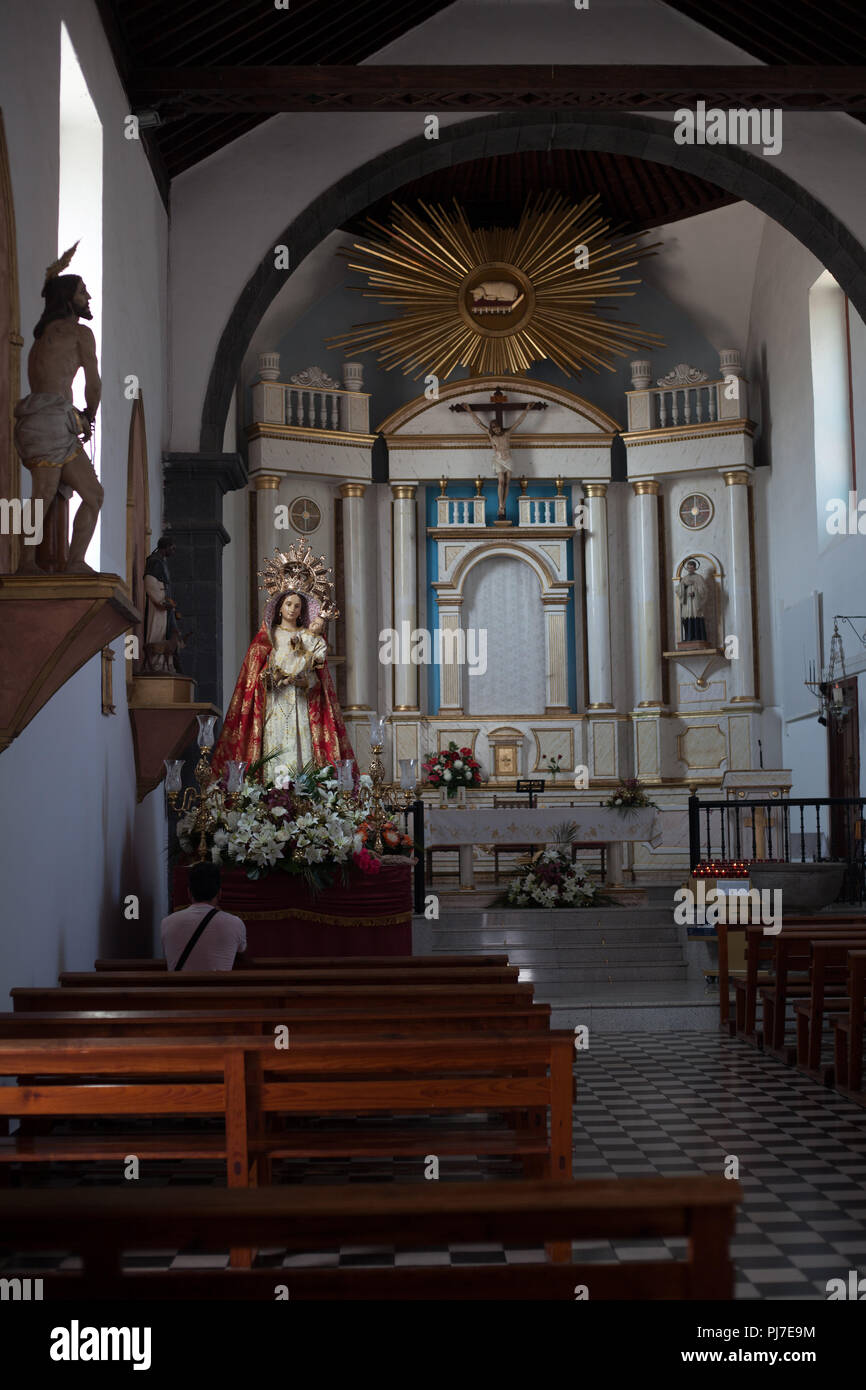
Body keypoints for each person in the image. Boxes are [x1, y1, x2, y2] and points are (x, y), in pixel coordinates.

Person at [13, 245, 103, 575]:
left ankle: (74, 562)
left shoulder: (42, 337)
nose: (89, 296)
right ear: (68, 298)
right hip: (51, 420)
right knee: (43, 494)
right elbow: (93, 383)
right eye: (82, 292)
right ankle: (25, 563)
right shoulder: (80, 334)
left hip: (36, 418)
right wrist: (89, 414)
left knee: (92, 494)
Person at [211, 585, 357, 783]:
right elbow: (254, 675)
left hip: (301, 702)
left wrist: (305, 680)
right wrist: (272, 678)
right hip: (275, 703)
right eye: (288, 604)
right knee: (276, 749)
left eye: (297, 606)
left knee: (301, 748)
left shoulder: (309, 637)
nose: (292, 609)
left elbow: (317, 677)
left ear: (302, 611)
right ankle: (274, 798)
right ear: (279, 607)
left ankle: (303, 796)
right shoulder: (269, 636)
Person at [160, 861, 247, 971]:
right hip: (218, 988)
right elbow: (242, 954)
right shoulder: (235, 923)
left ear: (189, 893)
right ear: (220, 893)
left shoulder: (167, 923)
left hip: (180, 988)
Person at [462, 402, 536, 519]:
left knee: (507, 482)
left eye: (496, 427)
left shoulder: (507, 433)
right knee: (501, 481)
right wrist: (469, 411)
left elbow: (518, 422)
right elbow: (479, 423)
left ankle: (503, 504)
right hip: (498, 459)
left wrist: (526, 410)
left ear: (499, 426)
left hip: (508, 459)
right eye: (493, 428)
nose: (495, 429)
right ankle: (501, 504)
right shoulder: (491, 435)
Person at [143, 536, 183, 673]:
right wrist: (162, 601)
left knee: (166, 634)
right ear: (165, 547)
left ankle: (165, 665)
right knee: (157, 632)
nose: (173, 551)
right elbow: (149, 582)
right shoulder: (154, 561)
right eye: (172, 548)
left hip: (165, 608)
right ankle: (156, 664)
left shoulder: (161, 562)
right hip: (157, 608)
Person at [678, 559, 709, 644]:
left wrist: (695, 592)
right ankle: (689, 637)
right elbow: (678, 591)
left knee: (696, 618)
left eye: (691, 568)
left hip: (695, 602)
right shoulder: (684, 579)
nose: (690, 569)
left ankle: (698, 637)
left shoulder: (699, 578)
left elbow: (704, 590)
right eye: (688, 568)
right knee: (686, 619)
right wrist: (684, 586)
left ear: (695, 568)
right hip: (687, 603)